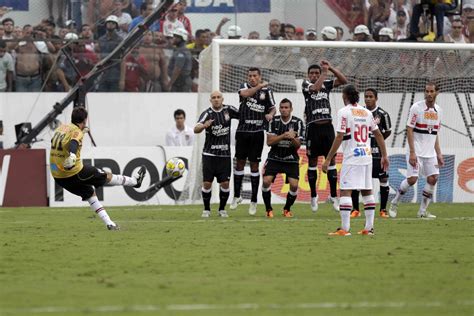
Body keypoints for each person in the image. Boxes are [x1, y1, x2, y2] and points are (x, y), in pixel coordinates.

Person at [50, 107, 146, 230]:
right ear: (84, 120)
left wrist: (81, 132)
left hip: (58, 176)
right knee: (105, 175)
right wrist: (73, 155)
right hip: (74, 172)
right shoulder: (77, 132)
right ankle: (134, 182)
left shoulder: (61, 128)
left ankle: (109, 223)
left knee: (90, 193)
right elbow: (73, 142)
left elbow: (63, 141)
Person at [323, 85, 389, 236]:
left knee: (345, 190)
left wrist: (328, 159)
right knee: (367, 190)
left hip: (352, 157)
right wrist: (384, 155)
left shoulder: (344, 112)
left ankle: (345, 229)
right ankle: (369, 228)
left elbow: (339, 136)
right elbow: (378, 134)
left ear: (344, 96)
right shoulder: (366, 112)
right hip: (366, 155)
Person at [389, 82, 444, 219]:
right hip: (416, 151)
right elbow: (409, 129)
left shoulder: (439, 110)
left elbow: (435, 134)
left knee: (433, 178)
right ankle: (395, 202)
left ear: (437, 92)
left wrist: (439, 153)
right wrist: (412, 152)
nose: (429, 94)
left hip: (430, 152)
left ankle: (422, 211)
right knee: (412, 179)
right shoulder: (417, 108)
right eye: (427, 91)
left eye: (431, 91)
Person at [302, 61, 347, 213]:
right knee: (313, 161)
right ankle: (314, 196)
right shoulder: (306, 84)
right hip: (313, 128)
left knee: (332, 160)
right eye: (312, 73)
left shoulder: (326, 83)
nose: (314, 75)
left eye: (317, 73)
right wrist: (324, 73)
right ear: (308, 75)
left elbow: (344, 81)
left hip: (327, 127)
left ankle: (334, 196)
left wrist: (331, 68)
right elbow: (315, 88)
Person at [231, 67, 276, 215]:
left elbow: (273, 108)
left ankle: (254, 201)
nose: (252, 78)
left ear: (259, 76)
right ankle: (237, 196)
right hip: (243, 131)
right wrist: (259, 86)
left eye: (255, 76)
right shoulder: (244, 87)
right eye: (250, 75)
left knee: (255, 166)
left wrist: (270, 114)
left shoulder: (267, 92)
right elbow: (245, 94)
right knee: (240, 163)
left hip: (257, 133)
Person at [194, 91, 239, 218]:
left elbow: (243, 115)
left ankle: (222, 209)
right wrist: (204, 125)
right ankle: (206, 209)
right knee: (207, 183)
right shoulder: (207, 113)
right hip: (209, 155)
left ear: (222, 99)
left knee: (225, 183)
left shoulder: (229, 110)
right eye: (214, 98)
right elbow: (195, 129)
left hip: (224, 155)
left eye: (218, 97)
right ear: (210, 100)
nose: (216, 99)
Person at [351, 88, 392, 218]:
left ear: (376, 98)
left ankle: (383, 209)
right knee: (357, 181)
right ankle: (355, 209)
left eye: (371, 96)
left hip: (378, 153)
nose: (368, 99)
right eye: (366, 96)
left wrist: (379, 141)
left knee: (383, 179)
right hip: (363, 152)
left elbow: (388, 131)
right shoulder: (360, 113)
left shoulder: (382, 114)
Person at [262, 98, 304, 218]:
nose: (284, 110)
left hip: (291, 159)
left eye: (286, 107)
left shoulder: (298, 122)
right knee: (266, 181)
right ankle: (268, 209)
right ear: (279, 109)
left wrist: (292, 138)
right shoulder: (273, 121)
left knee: (294, 185)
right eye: (282, 107)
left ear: (291, 109)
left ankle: (287, 208)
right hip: (275, 157)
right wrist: (284, 136)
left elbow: (298, 145)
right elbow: (269, 142)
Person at [168, 28, 192, 92]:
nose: (173, 39)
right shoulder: (181, 50)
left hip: (180, 83)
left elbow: (177, 69)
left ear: (181, 38)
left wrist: (170, 83)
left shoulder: (181, 51)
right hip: (181, 82)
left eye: (175, 37)